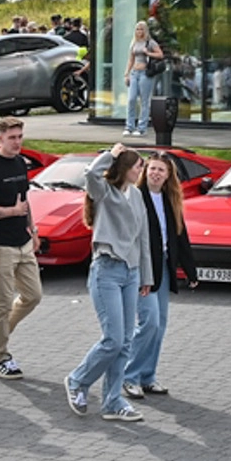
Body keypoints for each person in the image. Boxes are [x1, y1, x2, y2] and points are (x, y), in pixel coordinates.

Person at [65, 144, 154, 422]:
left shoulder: (137, 195)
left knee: (125, 342)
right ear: (124, 169)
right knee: (113, 339)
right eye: (138, 166)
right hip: (106, 271)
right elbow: (90, 175)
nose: (142, 171)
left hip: (132, 272)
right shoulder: (105, 192)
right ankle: (78, 380)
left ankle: (113, 402)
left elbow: (143, 238)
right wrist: (111, 155)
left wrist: (146, 277)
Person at [124, 149, 197, 400]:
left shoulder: (170, 200)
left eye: (160, 170)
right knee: (149, 322)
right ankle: (129, 376)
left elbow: (180, 236)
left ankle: (147, 376)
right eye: (152, 168)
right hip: (143, 269)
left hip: (163, 268)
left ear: (168, 176)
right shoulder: (137, 196)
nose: (155, 173)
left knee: (160, 325)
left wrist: (190, 270)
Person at [0, 117, 42, 379]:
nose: (17, 142)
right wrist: (10, 211)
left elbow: (25, 201)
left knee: (33, 295)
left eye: (19, 136)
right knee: (1, 303)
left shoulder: (20, 163)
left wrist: (33, 230)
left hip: (23, 242)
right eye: (12, 137)